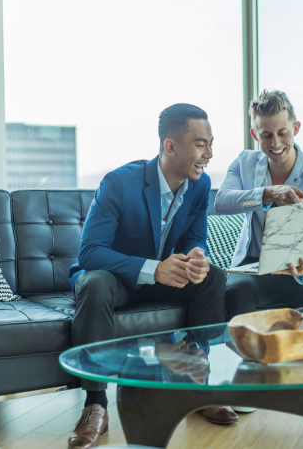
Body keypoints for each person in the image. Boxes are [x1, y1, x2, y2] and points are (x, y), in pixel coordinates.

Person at [67, 104, 235, 449]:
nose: (210, 154)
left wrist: (197, 255)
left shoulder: (200, 185)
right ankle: (95, 405)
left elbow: (194, 236)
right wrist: (151, 268)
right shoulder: (119, 182)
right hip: (117, 280)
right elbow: (90, 253)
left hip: (164, 278)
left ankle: (195, 383)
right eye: (201, 144)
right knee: (93, 283)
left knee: (213, 278)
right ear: (170, 146)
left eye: (211, 143)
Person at [215, 89, 303, 320]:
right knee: (236, 291)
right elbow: (221, 202)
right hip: (255, 267)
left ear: (296, 128)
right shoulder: (243, 164)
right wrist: (267, 194)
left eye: (283, 132)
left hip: (302, 268)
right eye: (266, 135)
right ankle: (249, 356)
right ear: (254, 134)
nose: (275, 143)